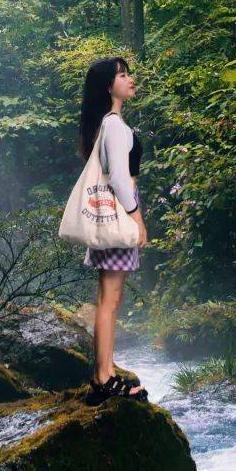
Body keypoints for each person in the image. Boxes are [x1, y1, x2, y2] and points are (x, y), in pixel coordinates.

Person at [78, 55, 149, 403]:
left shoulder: (107, 125)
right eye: (122, 75)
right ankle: (103, 377)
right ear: (109, 86)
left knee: (108, 298)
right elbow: (120, 179)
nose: (130, 79)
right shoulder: (116, 127)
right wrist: (137, 217)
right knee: (110, 299)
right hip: (119, 214)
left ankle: (105, 371)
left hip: (109, 214)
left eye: (128, 73)